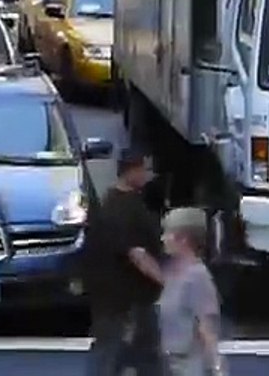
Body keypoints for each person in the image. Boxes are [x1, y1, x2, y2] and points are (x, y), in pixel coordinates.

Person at [83, 149, 164, 376]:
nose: (149, 175)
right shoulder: (121, 210)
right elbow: (138, 255)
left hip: (127, 302)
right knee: (111, 356)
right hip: (125, 303)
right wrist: (167, 281)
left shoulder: (118, 203)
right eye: (145, 169)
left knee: (141, 357)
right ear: (132, 170)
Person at [157, 208, 226, 376]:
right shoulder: (171, 272)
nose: (162, 238)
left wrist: (217, 367)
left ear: (183, 239)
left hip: (190, 365)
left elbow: (206, 325)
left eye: (167, 234)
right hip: (170, 361)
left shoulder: (197, 276)